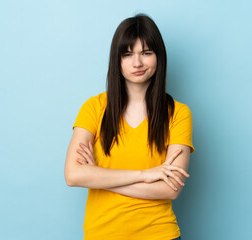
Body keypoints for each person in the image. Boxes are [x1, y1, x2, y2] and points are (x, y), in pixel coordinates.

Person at [64, 13, 195, 240]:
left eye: (146, 53)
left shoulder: (178, 113)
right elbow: (73, 175)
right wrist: (145, 175)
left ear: (159, 57)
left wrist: (98, 177)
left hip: (160, 234)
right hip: (102, 234)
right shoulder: (94, 108)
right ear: (118, 60)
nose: (137, 63)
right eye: (127, 54)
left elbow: (170, 189)